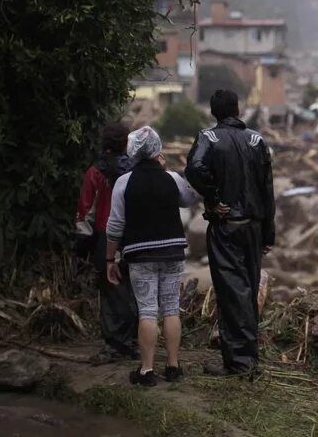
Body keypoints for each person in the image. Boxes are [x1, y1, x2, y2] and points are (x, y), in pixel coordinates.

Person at [185, 89, 275, 376]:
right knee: (247, 289)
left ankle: (240, 362)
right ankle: (248, 358)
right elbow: (267, 191)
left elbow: (195, 168)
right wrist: (268, 235)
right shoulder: (257, 140)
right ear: (237, 110)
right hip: (254, 226)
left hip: (226, 226)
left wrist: (213, 197)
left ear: (214, 112)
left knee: (231, 291)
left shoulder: (208, 138)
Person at [106, 126, 198, 386]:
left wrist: (109, 260)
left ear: (132, 152)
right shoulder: (172, 179)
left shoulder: (124, 182)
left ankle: (147, 371)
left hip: (140, 254)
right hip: (172, 252)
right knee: (170, 309)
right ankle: (173, 366)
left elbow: (114, 227)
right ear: (158, 150)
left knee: (147, 311)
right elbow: (189, 199)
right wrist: (167, 169)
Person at [75, 123, 139, 363]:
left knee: (111, 292)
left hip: (105, 237)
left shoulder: (96, 172)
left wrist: (82, 246)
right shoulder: (137, 170)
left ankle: (115, 345)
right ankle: (133, 342)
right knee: (134, 289)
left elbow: (86, 211)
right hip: (134, 237)